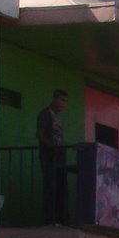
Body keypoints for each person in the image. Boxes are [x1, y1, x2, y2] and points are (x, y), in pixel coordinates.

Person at [37, 89, 70, 225]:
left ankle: (61, 219)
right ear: (54, 99)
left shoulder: (57, 117)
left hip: (60, 158)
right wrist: (51, 146)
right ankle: (51, 219)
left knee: (61, 187)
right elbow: (39, 134)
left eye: (65, 101)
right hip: (50, 157)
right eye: (62, 100)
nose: (64, 104)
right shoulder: (45, 114)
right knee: (51, 187)